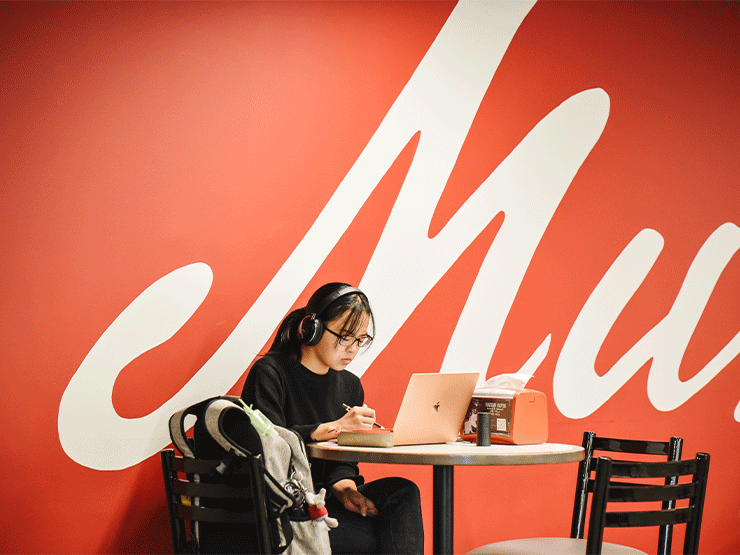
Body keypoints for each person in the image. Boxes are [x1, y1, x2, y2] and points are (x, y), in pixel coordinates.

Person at [242, 282, 424, 554]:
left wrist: (344, 487)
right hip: (286, 506)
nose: (352, 349)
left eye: (361, 340)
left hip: (328, 499)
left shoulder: (351, 385)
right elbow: (268, 446)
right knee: (384, 537)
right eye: (345, 337)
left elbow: (344, 459)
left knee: (402, 492)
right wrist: (332, 428)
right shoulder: (270, 373)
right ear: (311, 329)